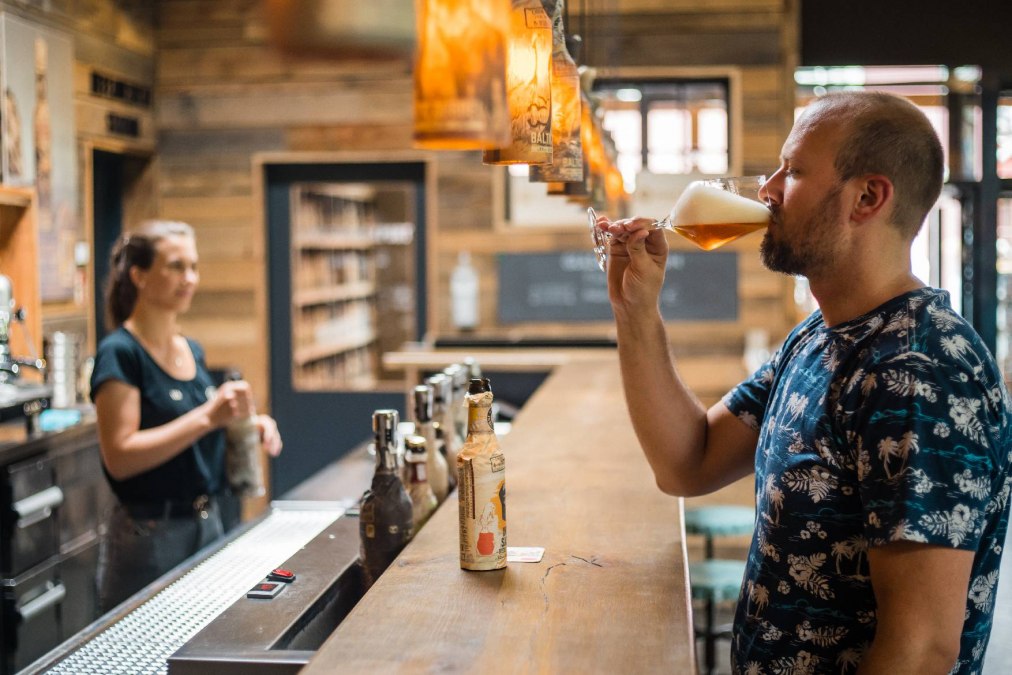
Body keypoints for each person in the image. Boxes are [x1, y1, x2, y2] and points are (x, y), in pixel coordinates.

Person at [594, 91, 1012, 673]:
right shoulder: (821, 335)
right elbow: (688, 462)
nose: (766, 190)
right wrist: (635, 312)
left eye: (791, 172)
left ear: (867, 197)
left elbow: (920, 650)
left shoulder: (921, 371)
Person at [90, 220, 283, 612]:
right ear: (139, 275)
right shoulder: (121, 353)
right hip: (150, 537)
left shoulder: (190, 350)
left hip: (207, 525)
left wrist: (246, 426)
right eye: (176, 266)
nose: (189, 278)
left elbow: (193, 432)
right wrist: (209, 418)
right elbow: (121, 456)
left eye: (193, 267)